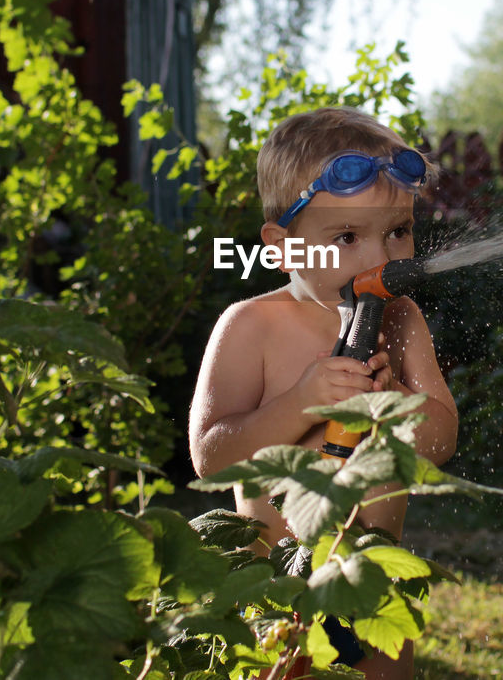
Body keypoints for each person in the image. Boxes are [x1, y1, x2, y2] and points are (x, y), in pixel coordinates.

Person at [189, 107, 458, 680]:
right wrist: (299, 406)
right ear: (284, 247)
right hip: (279, 595)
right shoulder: (250, 326)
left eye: (398, 232)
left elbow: (440, 441)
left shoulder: (402, 321)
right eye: (347, 236)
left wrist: (397, 407)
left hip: (370, 586)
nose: (381, 259)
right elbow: (212, 457)